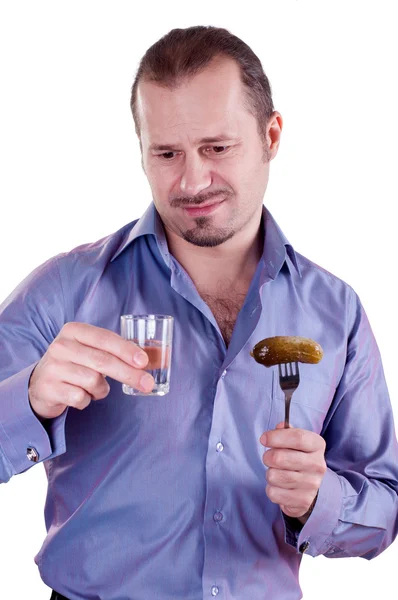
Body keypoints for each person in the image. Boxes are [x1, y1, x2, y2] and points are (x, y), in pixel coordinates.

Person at [0, 25, 397, 600]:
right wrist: (30, 398)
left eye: (217, 147)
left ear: (272, 135)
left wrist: (321, 498)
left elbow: (384, 510)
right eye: (166, 153)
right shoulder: (65, 290)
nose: (192, 180)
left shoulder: (336, 313)